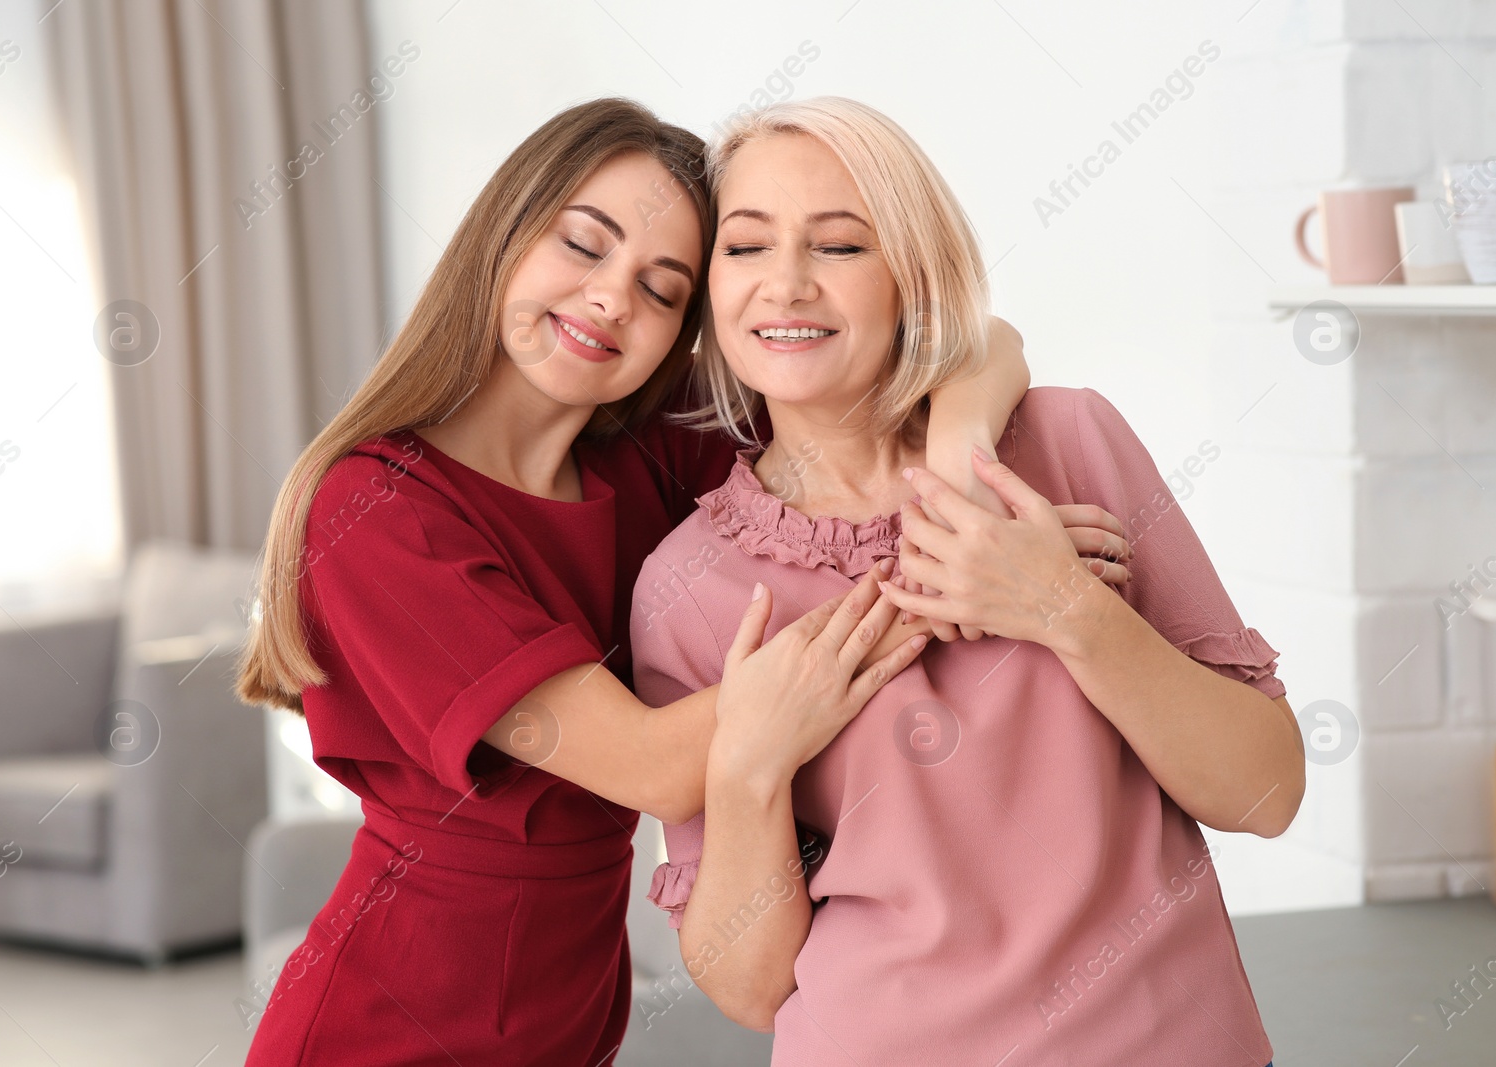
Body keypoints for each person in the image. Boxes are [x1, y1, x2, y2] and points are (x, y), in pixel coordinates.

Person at [233, 98, 1117, 1065]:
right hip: (393, 1016)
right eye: (583, 245)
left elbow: (978, 341)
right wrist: (971, 573)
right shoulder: (372, 508)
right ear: (502, 236)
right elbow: (650, 764)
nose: (613, 299)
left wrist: (955, 472)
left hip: (569, 1008)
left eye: (662, 289)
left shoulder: (649, 457)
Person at [634, 97, 1303, 1066]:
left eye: (840, 246)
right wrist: (749, 762)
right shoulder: (685, 586)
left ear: (912, 274)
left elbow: (1265, 790)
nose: (785, 284)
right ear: (707, 290)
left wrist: (1065, 609)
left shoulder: (1068, 445)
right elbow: (748, 988)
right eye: (744, 248)